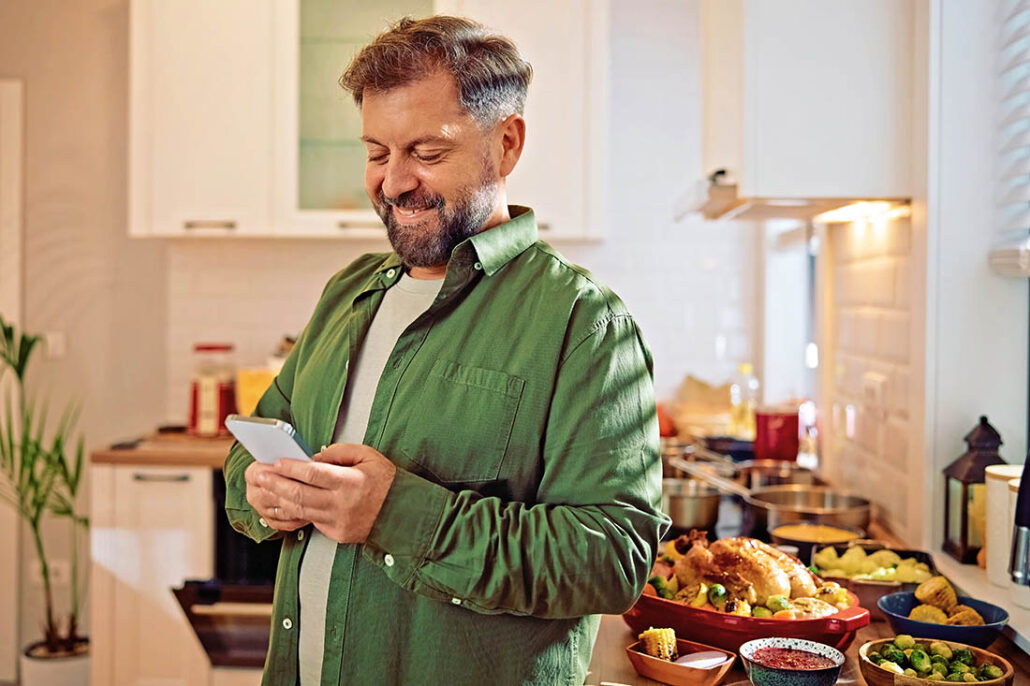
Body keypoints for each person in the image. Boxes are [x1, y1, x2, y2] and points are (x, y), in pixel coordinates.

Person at [223, 15, 668, 686]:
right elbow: (247, 454)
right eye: (377, 152)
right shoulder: (348, 293)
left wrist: (395, 512)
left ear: (507, 144)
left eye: (426, 153)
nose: (394, 181)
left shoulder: (582, 322)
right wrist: (261, 491)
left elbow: (612, 561)